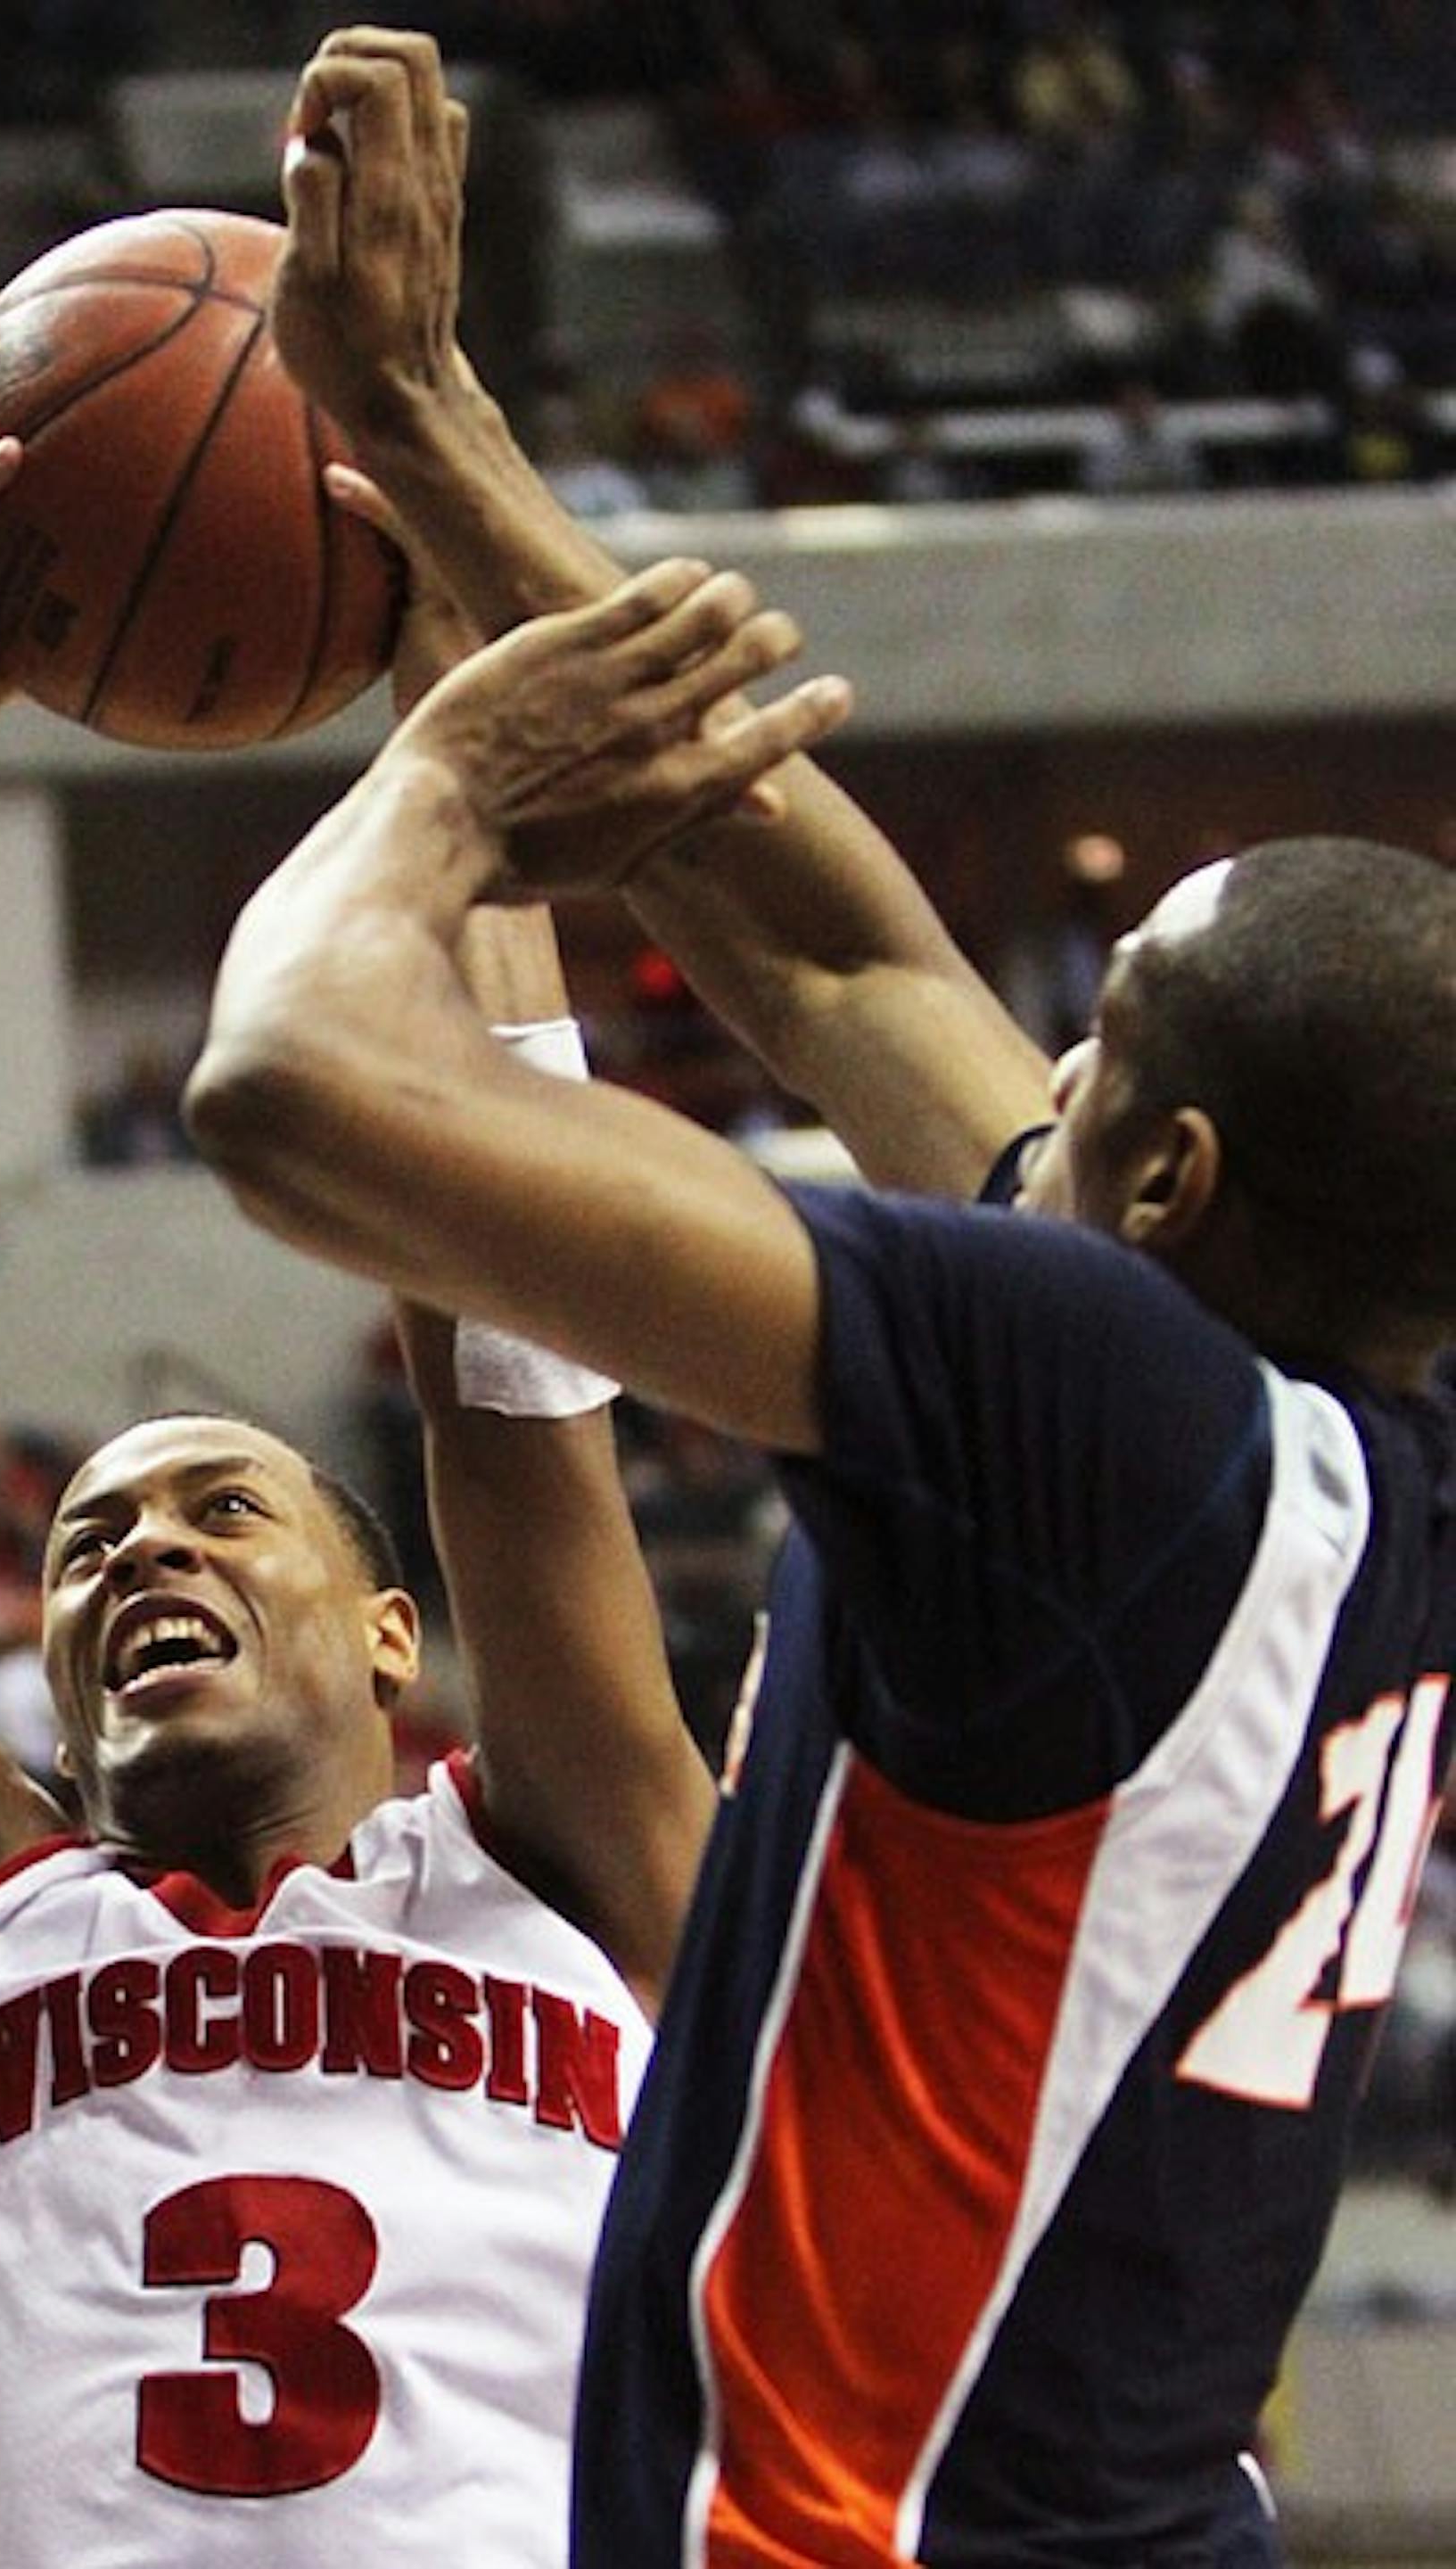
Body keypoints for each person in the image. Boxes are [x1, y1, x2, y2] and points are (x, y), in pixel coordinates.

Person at [177, 30, 1456, 2565]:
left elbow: (289, 1089)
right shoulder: (1304, 1439)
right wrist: (423, 417)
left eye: (1088, 1056)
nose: (1031, 1075)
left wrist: (447, 781)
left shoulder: (1091, 1398)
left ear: (1172, 1177)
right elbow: (829, 944)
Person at [0, 309, 719, 2565]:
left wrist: (448, 769)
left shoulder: (572, 1873)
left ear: (391, 1636)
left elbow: (525, 1401)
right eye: (81, 1537)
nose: (134, 1547)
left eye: (218, 1503)